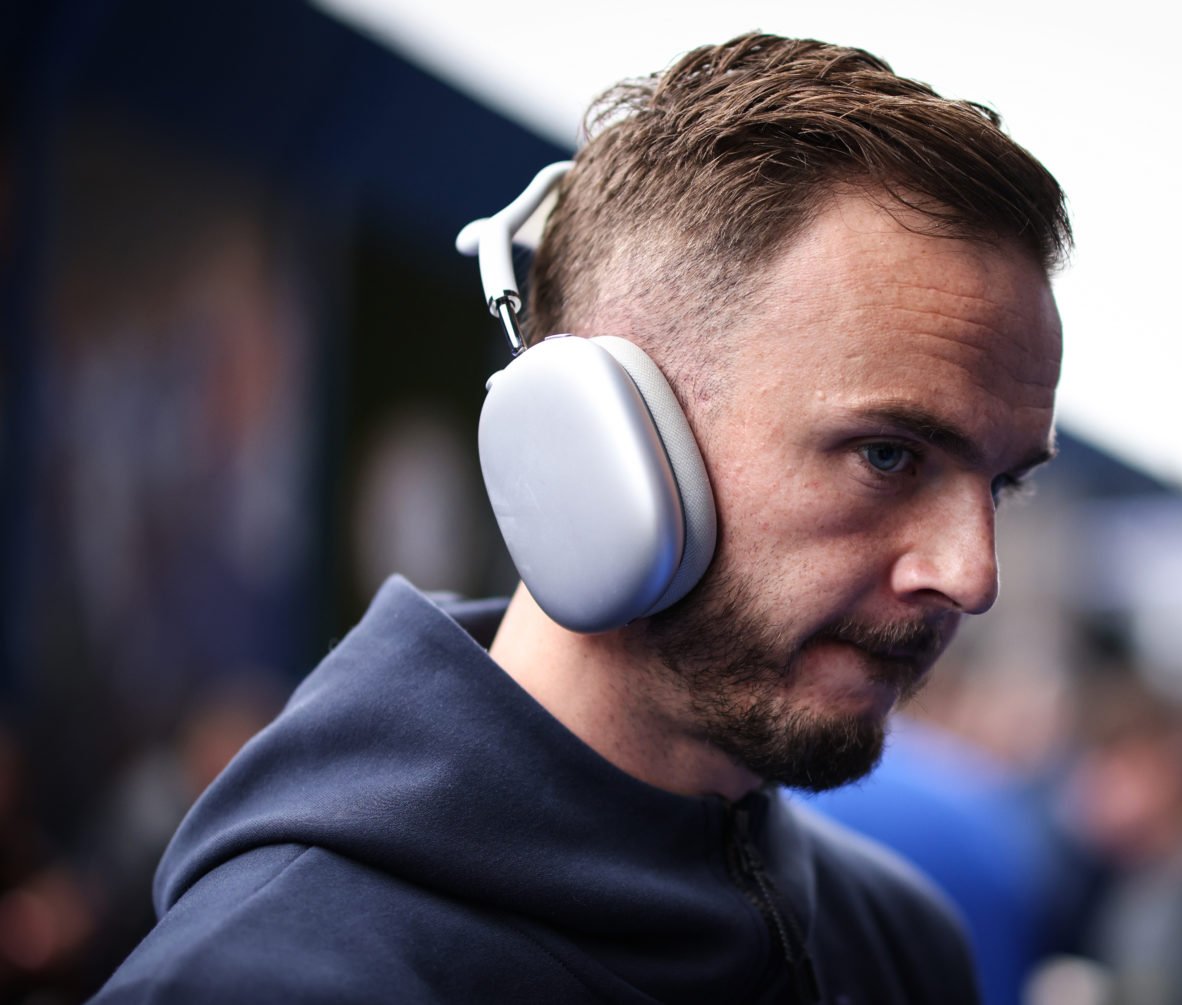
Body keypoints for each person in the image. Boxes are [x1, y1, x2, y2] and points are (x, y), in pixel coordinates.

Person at [91, 32, 1070, 1004]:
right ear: (610, 442)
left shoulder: (900, 946)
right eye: (888, 455)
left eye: (1003, 485)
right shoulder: (265, 979)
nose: (972, 575)